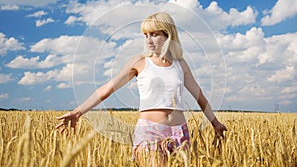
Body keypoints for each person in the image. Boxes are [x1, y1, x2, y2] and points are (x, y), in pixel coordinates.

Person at [56, 12, 227, 166]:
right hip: (150, 131)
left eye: (154, 34)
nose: (149, 40)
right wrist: (78, 112)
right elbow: (107, 89)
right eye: (145, 35)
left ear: (168, 35)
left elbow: (200, 97)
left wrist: (215, 123)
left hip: (180, 131)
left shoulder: (180, 64)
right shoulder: (139, 62)